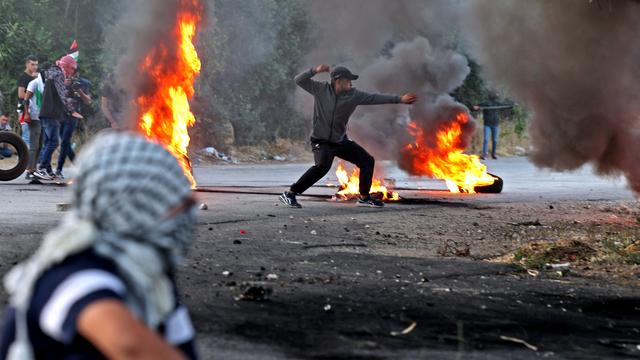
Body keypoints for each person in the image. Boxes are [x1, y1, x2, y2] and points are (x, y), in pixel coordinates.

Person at [0, 132, 198, 359]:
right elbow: (129, 345)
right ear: (130, 205)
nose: (188, 205)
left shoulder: (153, 279)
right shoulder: (72, 270)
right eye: (169, 197)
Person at [280, 64, 417, 208]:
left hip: (340, 141)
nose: (351, 83)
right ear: (338, 81)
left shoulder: (354, 95)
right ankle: (290, 193)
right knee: (321, 167)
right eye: (348, 80)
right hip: (322, 141)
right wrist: (314, 70)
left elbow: (375, 98)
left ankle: (364, 197)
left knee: (367, 161)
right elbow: (298, 80)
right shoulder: (321, 89)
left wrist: (400, 99)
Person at [35, 55, 82, 180]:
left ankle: (48, 170)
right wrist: (72, 110)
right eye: (72, 69)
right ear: (67, 66)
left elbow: (46, 74)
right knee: (54, 141)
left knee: (48, 141)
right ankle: (42, 168)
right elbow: (62, 96)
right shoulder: (58, 74)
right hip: (52, 113)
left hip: (46, 112)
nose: (72, 72)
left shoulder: (52, 72)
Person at [55, 66, 92, 179]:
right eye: (68, 73)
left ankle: (59, 169)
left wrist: (79, 90)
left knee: (65, 140)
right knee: (64, 143)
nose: (70, 75)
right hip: (61, 114)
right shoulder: (61, 80)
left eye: (72, 73)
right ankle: (79, 166)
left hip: (74, 115)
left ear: (77, 73)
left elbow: (88, 101)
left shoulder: (84, 83)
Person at [23, 63, 50, 181]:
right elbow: (26, 99)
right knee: (34, 145)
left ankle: (34, 169)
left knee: (40, 145)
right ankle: (29, 170)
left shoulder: (48, 84)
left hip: (43, 117)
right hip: (34, 117)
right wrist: (27, 114)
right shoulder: (34, 83)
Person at [473, 92, 514, 160]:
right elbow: (475, 107)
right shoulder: (485, 103)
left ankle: (493, 154)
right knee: (486, 139)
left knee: (494, 140)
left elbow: (506, 106)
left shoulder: (497, 104)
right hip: (487, 124)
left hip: (495, 124)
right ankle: (484, 154)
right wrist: (475, 107)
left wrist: (512, 105)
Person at [17, 55, 39, 149]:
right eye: (32, 64)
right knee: (26, 135)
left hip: (35, 108)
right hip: (23, 108)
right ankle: (25, 159)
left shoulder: (37, 77)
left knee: (35, 135)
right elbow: (21, 95)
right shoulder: (23, 77)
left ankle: (31, 159)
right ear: (27, 64)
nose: (35, 67)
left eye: (36, 65)